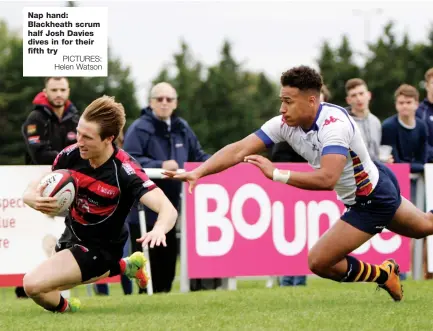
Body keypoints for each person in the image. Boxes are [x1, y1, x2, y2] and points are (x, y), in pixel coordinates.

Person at [164, 65, 433, 302]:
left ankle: (383, 275)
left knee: (319, 261)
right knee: (425, 226)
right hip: (376, 184)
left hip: (372, 199)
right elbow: (238, 149)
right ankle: (386, 274)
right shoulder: (285, 123)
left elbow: (328, 179)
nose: (282, 108)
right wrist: (199, 172)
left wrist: (277, 174)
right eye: (281, 100)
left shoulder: (334, 125)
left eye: (288, 101)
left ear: (311, 101)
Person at [22, 96, 178, 313]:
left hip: (103, 247)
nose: (79, 141)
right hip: (73, 234)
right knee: (47, 288)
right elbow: (38, 182)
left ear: (109, 139)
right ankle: (127, 266)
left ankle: (70, 308)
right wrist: (30, 197)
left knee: (32, 284)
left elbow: (167, 208)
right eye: (78, 133)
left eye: (87, 137)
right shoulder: (71, 155)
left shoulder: (125, 171)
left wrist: (160, 229)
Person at [123, 82, 210, 293]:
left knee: (168, 264)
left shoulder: (182, 127)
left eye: (168, 99)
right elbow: (128, 160)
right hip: (144, 208)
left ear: (175, 102)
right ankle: (143, 299)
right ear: (151, 102)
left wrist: (220, 163)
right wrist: (159, 166)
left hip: (173, 207)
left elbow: (198, 156)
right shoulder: (139, 128)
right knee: (146, 265)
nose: (164, 103)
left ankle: (163, 298)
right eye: (159, 99)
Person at [18, 77, 80, 299]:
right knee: (37, 239)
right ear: (45, 91)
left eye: (63, 89)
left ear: (68, 90)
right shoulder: (35, 118)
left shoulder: (76, 117)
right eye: (54, 89)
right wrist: (70, 158)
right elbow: (39, 153)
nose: (59, 94)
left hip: (71, 187)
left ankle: (61, 283)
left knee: (68, 236)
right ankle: (27, 285)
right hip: (40, 187)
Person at [345, 78, 385, 163]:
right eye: (353, 95)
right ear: (348, 100)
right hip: (353, 173)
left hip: (376, 172)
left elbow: (377, 153)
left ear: (369, 95)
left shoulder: (376, 122)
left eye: (361, 93)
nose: (358, 98)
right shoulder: (344, 123)